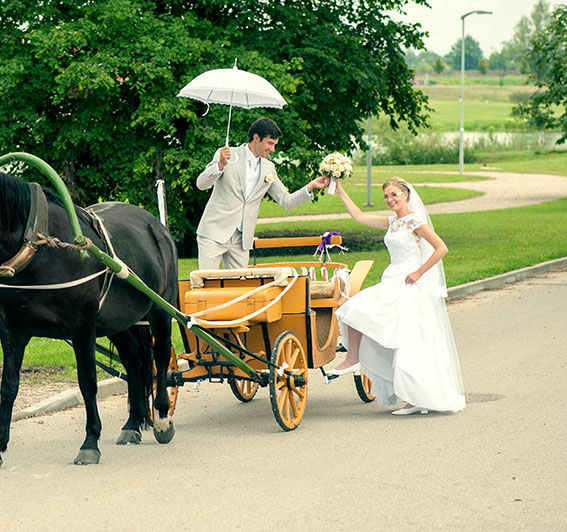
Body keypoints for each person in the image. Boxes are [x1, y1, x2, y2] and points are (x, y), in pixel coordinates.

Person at [327, 177, 465, 415]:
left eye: (394, 195)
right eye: (386, 196)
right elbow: (359, 217)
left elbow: (441, 248)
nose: (390, 200)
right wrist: (340, 191)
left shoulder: (414, 221)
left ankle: (416, 398)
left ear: (406, 195)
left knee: (408, 340)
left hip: (409, 282)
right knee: (354, 310)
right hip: (392, 279)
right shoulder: (392, 222)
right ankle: (354, 359)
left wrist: (419, 272)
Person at [195, 117, 329, 269]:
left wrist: (311, 186)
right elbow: (201, 184)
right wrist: (220, 165)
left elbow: (286, 201)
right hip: (214, 232)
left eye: (274, 145)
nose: (272, 149)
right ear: (256, 138)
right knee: (206, 285)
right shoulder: (227, 154)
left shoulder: (269, 168)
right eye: (270, 143)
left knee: (240, 289)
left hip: (242, 240)